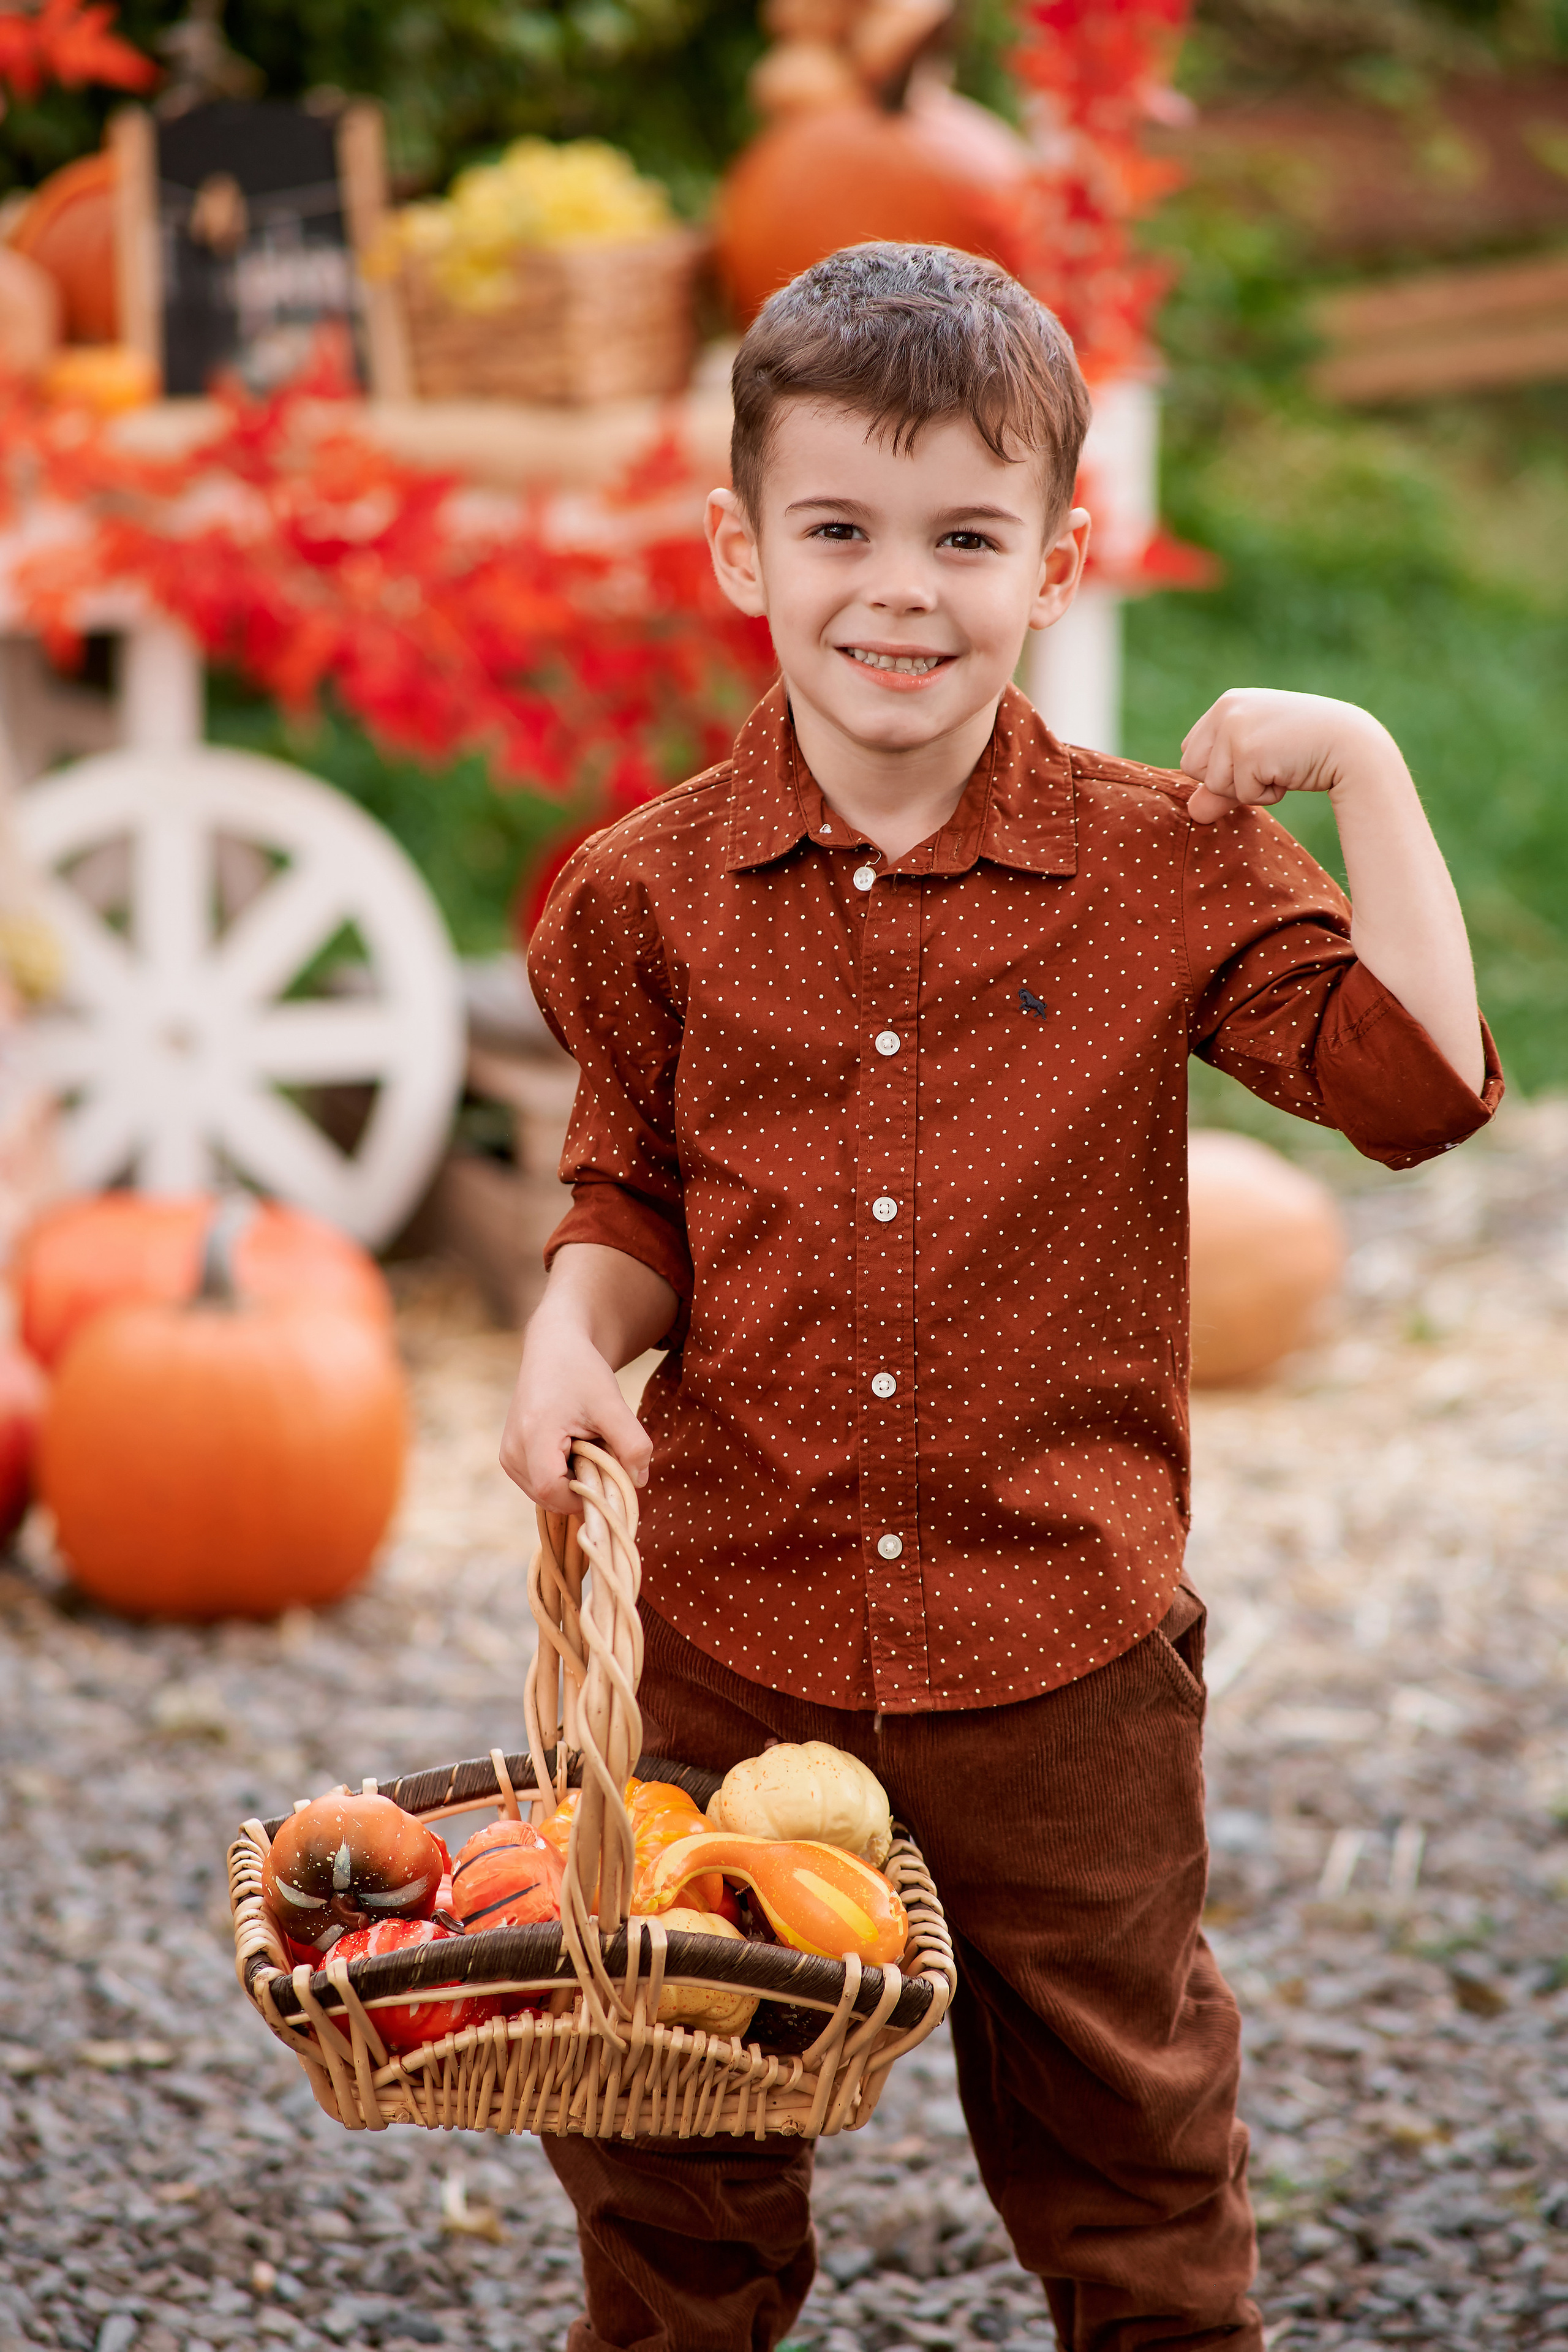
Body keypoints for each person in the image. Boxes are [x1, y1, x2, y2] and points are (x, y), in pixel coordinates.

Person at [500, 241, 1500, 2352]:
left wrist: (1373, 769)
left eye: (966, 536)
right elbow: (630, 1203)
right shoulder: (643, 896)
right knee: (672, 2135)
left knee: (1127, 2141)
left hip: (1064, 1650)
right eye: (840, 529)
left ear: (1056, 563)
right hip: (732, 1621)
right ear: (740, 546)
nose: (899, 590)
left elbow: (1416, 1095)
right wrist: (568, 1344)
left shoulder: (1165, 870)